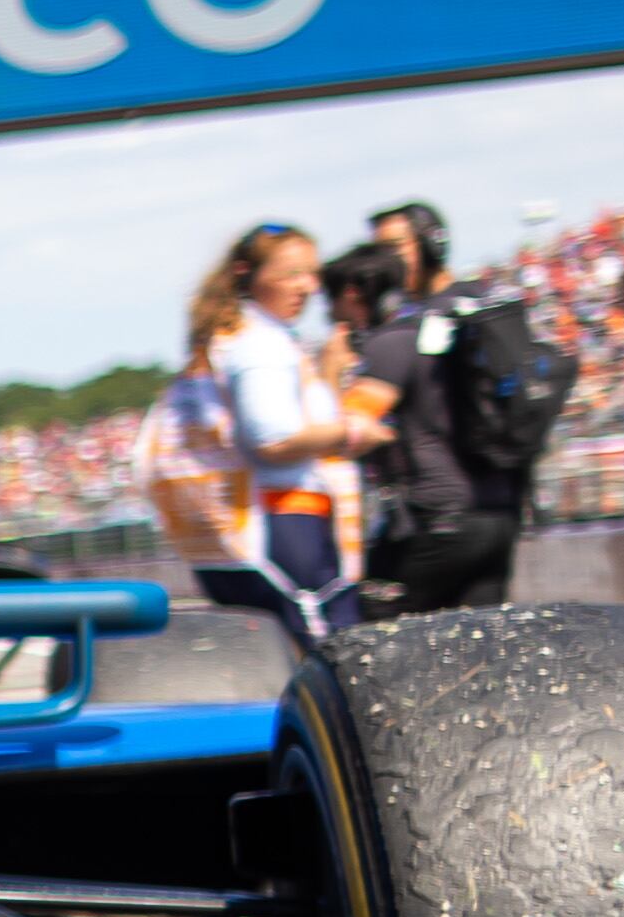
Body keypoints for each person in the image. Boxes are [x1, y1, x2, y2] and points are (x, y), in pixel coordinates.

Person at [137, 223, 387, 638]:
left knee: (272, 654)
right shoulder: (261, 345)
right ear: (247, 275)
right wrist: (355, 433)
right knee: (331, 655)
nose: (308, 286)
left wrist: (326, 372)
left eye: (312, 273)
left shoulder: (230, 336)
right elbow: (274, 439)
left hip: (237, 533)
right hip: (285, 520)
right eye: (291, 274)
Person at [344, 201, 525, 614]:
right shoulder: (487, 304)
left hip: (438, 518)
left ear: (431, 245)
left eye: (393, 247)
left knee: (380, 636)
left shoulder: (405, 329)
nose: (382, 262)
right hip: (500, 511)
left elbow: (355, 423)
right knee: (480, 647)